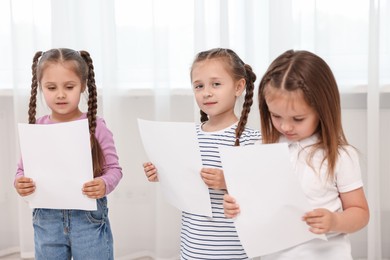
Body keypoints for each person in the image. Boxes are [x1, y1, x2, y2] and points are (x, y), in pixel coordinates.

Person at [223, 50, 370, 259]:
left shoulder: (339, 156)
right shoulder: (261, 149)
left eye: (298, 118)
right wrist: (235, 207)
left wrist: (335, 221)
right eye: (276, 116)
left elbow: (360, 212)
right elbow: (255, 203)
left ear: (322, 110)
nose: (286, 126)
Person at [143, 48, 261, 259]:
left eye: (216, 84)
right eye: (199, 86)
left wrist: (227, 181)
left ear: (239, 86)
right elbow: (183, 184)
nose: (206, 92)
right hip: (194, 247)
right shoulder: (188, 138)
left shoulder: (252, 139)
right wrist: (162, 173)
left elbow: (262, 193)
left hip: (234, 251)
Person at [14, 48, 123, 260]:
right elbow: (22, 170)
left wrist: (103, 183)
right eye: (51, 87)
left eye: (69, 87)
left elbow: (114, 170)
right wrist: (20, 182)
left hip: (88, 220)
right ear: (41, 88)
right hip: (47, 220)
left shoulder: (96, 126)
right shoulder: (37, 127)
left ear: (82, 85)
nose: (61, 94)